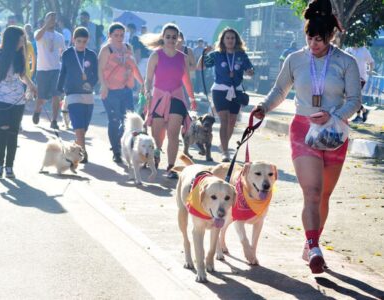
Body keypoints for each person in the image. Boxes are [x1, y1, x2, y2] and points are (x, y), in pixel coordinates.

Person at [251, 0, 361, 274]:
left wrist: (334, 116)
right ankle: (314, 248)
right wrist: (263, 107)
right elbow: (279, 90)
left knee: (324, 195)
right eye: (311, 38)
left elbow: (355, 100)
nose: (314, 44)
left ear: (331, 36)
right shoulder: (295, 60)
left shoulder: (346, 62)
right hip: (303, 129)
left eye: (320, 39)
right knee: (311, 192)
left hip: (334, 132)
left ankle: (311, 242)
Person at [142, 23, 197, 178]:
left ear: (178, 38)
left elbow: (186, 80)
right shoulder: (155, 55)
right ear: (163, 38)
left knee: (173, 134)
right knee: (157, 134)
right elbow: (148, 79)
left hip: (177, 98)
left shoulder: (183, 58)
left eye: (174, 37)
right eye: (168, 37)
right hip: (159, 97)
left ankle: (171, 167)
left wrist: (192, 98)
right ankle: (155, 155)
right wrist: (147, 92)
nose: (171, 40)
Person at [0, 26, 37, 178]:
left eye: (23, 40)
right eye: (20, 41)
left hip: (18, 99)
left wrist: (31, 85)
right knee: (3, 129)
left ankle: (9, 167)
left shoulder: (20, 53)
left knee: (13, 132)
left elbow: (22, 74)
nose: (22, 43)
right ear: (11, 40)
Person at [197, 28, 254, 162]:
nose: (230, 40)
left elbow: (250, 69)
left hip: (237, 90)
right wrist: (204, 53)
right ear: (222, 40)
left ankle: (223, 146)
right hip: (219, 90)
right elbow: (200, 67)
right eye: (227, 38)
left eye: (232, 38)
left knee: (232, 121)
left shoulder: (241, 55)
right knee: (224, 119)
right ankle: (226, 152)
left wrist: (250, 71)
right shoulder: (216, 54)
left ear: (236, 40)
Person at [98, 22, 143, 163]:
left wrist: (143, 84)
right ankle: (116, 151)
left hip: (126, 90)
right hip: (110, 91)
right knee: (114, 120)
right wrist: (103, 85)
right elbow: (100, 69)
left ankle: (120, 144)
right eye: (116, 35)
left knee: (127, 121)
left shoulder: (128, 48)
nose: (119, 37)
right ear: (109, 35)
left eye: (122, 35)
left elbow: (134, 66)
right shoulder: (106, 50)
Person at [58, 27, 98, 163]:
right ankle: (83, 153)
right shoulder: (67, 54)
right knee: (78, 126)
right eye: (79, 41)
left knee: (84, 127)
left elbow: (96, 75)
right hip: (72, 93)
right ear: (74, 40)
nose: (81, 44)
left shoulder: (92, 55)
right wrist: (58, 88)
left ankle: (77, 146)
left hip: (87, 94)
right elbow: (62, 72)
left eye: (84, 42)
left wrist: (91, 84)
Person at [32, 12, 65, 129]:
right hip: (42, 69)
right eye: (50, 18)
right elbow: (36, 38)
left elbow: (63, 52)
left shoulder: (59, 36)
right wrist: (46, 25)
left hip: (55, 69)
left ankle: (54, 120)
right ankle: (37, 111)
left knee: (56, 95)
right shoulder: (39, 32)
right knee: (42, 97)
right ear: (45, 20)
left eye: (54, 18)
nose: (52, 20)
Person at [345, 44, 375, 122]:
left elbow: (371, 61)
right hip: (349, 77)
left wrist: (370, 71)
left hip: (361, 78)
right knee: (350, 97)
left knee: (353, 97)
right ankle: (363, 111)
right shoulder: (348, 49)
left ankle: (359, 115)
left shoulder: (364, 50)